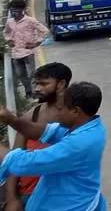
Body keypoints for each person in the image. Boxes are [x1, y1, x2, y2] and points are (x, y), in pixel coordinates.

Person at [0, 82, 107, 211]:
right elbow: (45, 131)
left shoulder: (78, 145)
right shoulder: (90, 127)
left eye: (61, 109)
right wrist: (10, 119)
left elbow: (24, 162)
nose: (56, 113)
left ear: (75, 111)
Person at [4, 62, 73, 211]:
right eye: (36, 84)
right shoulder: (31, 116)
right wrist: (12, 199)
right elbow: (14, 158)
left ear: (61, 84)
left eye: (44, 84)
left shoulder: (77, 119)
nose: (37, 89)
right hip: (29, 196)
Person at [3, 0, 49, 99]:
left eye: (16, 10)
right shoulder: (10, 22)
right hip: (15, 53)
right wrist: (9, 40)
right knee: (20, 74)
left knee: (31, 74)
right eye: (12, 10)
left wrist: (36, 43)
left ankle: (34, 93)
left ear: (22, 9)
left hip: (28, 52)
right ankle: (28, 90)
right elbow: (6, 32)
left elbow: (45, 31)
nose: (13, 12)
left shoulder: (30, 21)